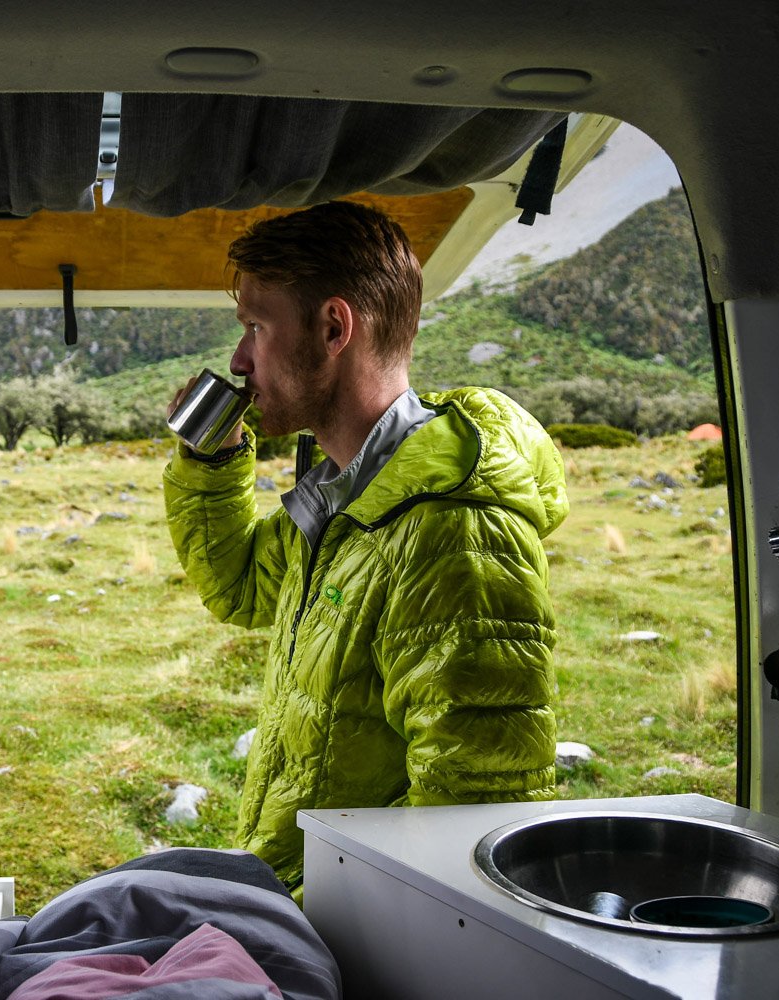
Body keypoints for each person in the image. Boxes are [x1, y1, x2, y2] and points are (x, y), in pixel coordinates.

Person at [162, 200, 569, 898]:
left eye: (256, 328)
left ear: (332, 327)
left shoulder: (452, 531)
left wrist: (311, 924)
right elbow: (239, 589)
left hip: (350, 927)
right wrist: (211, 462)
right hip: (303, 895)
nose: (237, 360)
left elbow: (467, 821)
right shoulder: (346, 493)